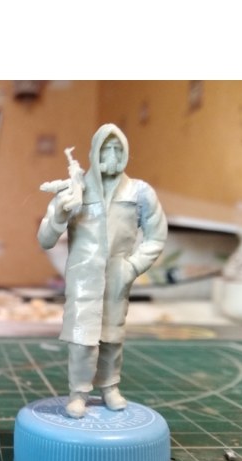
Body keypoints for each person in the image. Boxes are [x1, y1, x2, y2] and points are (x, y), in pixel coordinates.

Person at [38, 123, 167, 418]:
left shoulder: (139, 192)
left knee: (112, 337)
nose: (112, 156)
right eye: (106, 149)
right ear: (94, 152)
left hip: (118, 275)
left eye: (118, 149)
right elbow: (45, 239)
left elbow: (156, 236)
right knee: (81, 340)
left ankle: (110, 386)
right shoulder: (75, 188)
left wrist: (133, 266)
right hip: (83, 278)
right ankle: (78, 393)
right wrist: (61, 212)